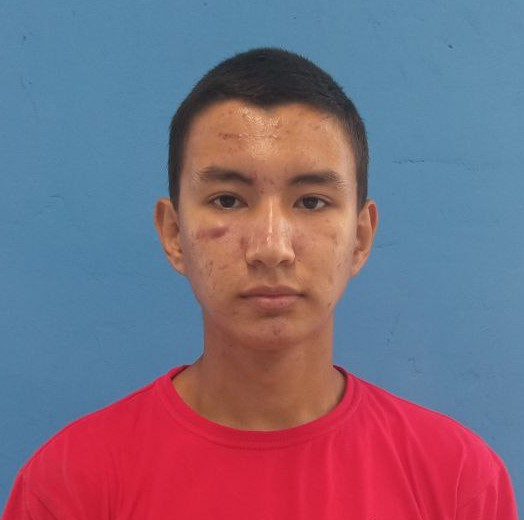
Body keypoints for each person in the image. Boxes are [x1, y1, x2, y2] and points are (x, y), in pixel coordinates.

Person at [3, 48, 517, 519]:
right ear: (174, 233)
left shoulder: (459, 482)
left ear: (360, 238)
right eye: (228, 200)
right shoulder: (69, 486)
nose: (272, 247)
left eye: (311, 201)